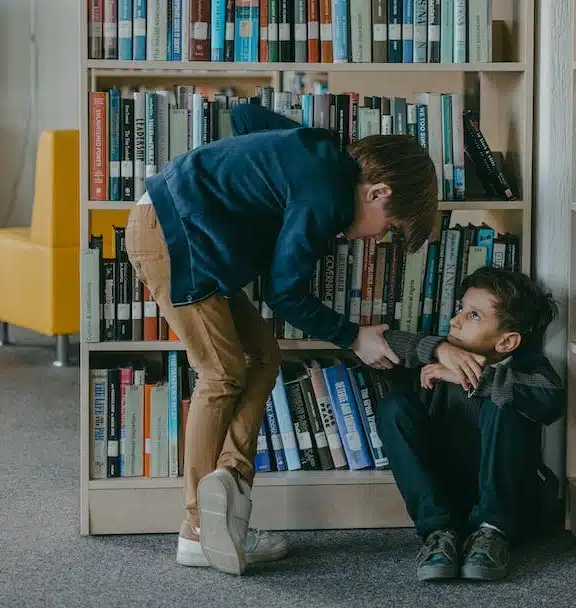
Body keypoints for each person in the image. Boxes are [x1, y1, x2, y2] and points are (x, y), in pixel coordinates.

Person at [124, 101, 438, 576]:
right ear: (377, 192)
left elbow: (248, 116)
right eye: (389, 229)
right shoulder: (326, 198)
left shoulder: (321, 150)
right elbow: (284, 294)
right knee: (222, 373)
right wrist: (354, 337)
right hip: (173, 237)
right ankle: (194, 528)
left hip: (190, 235)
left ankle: (227, 487)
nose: (375, 241)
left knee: (262, 357)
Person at [374, 266, 565, 583]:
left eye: (474, 315)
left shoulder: (526, 368)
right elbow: (384, 342)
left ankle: (492, 533)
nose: (456, 320)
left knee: (503, 403)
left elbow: (551, 398)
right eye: (461, 309)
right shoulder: (444, 353)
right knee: (394, 407)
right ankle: (438, 532)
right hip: (449, 499)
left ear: (507, 342)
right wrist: (437, 349)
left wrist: (477, 381)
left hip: (511, 503)